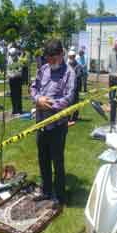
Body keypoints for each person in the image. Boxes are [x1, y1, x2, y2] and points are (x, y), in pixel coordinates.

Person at [30, 39, 76, 206]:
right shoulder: (43, 69)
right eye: (48, 59)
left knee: (57, 160)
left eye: (53, 59)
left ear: (61, 55)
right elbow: (33, 87)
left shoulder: (69, 73)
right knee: (43, 158)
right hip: (41, 123)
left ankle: (60, 194)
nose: (50, 62)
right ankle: (46, 190)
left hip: (57, 125)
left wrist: (49, 104)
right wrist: (37, 99)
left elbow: (69, 98)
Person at [67, 49, 84, 123]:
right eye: (70, 57)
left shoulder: (78, 66)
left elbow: (79, 75)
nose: (71, 58)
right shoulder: (67, 65)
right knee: (68, 102)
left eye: (72, 57)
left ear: (74, 57)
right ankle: (67, 117)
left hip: (75, 87)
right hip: (68, 88)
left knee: (75, 102)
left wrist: (72, 77)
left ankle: (74, 117)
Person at [8, 47, 23, 115]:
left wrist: (14, 75)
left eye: (13, 55)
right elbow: (8, 69)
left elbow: (20, 71)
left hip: (17, 79)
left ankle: (19, 110)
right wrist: (9, 74)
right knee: (13, 94)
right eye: (11, 55)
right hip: (11, 79)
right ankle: (14, 109)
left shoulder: (19, 60)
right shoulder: (9, 59)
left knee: (18, 94)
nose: (12, 56)